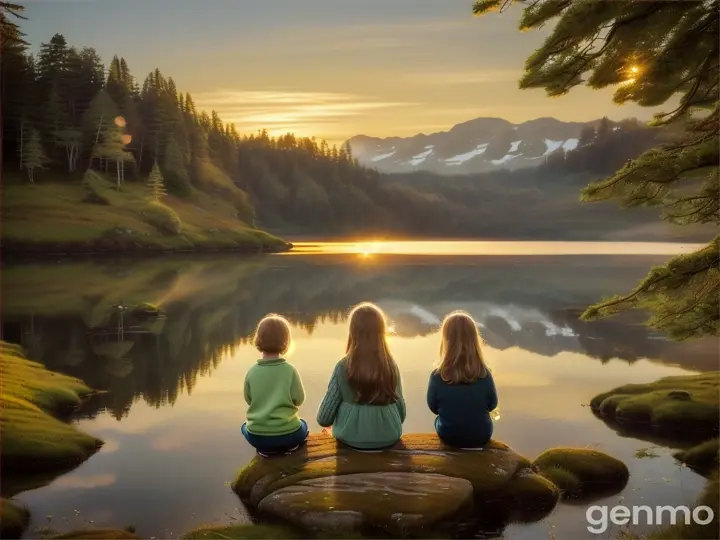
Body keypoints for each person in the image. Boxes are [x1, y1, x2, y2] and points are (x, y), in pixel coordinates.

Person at [316, 302, 405, 451]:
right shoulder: (391, 366)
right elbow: (401, 414)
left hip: (350, 439)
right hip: (389, 436)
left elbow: (324, 418)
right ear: (381, 333)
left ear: (352, 332)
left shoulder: (342, 367)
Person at [427, 310, 498, 448]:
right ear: (474, 340)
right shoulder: (484, 374)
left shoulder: (437, 376)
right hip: (481, 436)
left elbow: (433, 408)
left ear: (446, 340)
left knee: (438, 419)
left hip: (449, 436)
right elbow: (492, 405)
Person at [242, 314, 308, 457]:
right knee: (302, 424)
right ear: (286, 342)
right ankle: (292, 446)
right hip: (289, 434)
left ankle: (266, 450)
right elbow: (299, 399)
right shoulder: (289, 370)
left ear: (258, 339)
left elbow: (249, 400)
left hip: (258, 437)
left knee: (244, 427)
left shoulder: (251, 372)